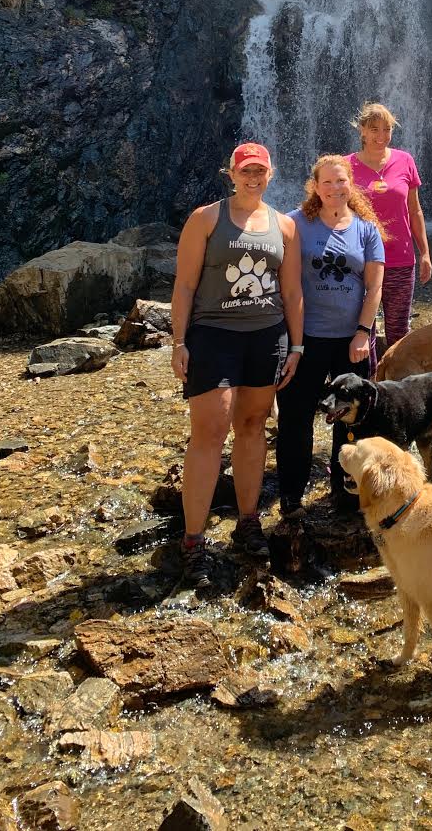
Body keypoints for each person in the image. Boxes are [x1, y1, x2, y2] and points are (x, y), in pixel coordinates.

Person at [170, 142, 304, 587]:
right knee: (210, 431)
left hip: (267, 337)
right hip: (213, 336)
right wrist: (178, 341)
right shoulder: (205, 219)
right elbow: (185, 286)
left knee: (252, 425)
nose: (253, 178)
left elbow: (291, 293)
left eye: (260, 172)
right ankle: (193, 540)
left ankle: (248, 522)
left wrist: (297, 346)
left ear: (270, 174)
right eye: (245, 171)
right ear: (231, 173)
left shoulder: (284, 226)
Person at [277, 155, 386, 515]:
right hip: (305, 339)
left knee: (352, 418)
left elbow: (374, 288)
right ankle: (292, 496)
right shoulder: (296, 223)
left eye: (341, 181)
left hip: (350, 341)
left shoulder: (367, 230)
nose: (335, 189)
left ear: (350, 184)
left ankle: (345, 490)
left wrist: (362, 333)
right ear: (315, 187)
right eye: (327, 183)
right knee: (295, 418)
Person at [348, 102, 432, 356]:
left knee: (398, 332)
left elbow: (415, 210)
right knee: (364, 331)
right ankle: (369, 387)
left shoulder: (405, 160)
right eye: (374, 129)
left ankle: (397, 390)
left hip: (400, 259)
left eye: (387, 129)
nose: (381, 136)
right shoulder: (345, 166)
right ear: (362, 130)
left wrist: (425, 253)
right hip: (359, 262)